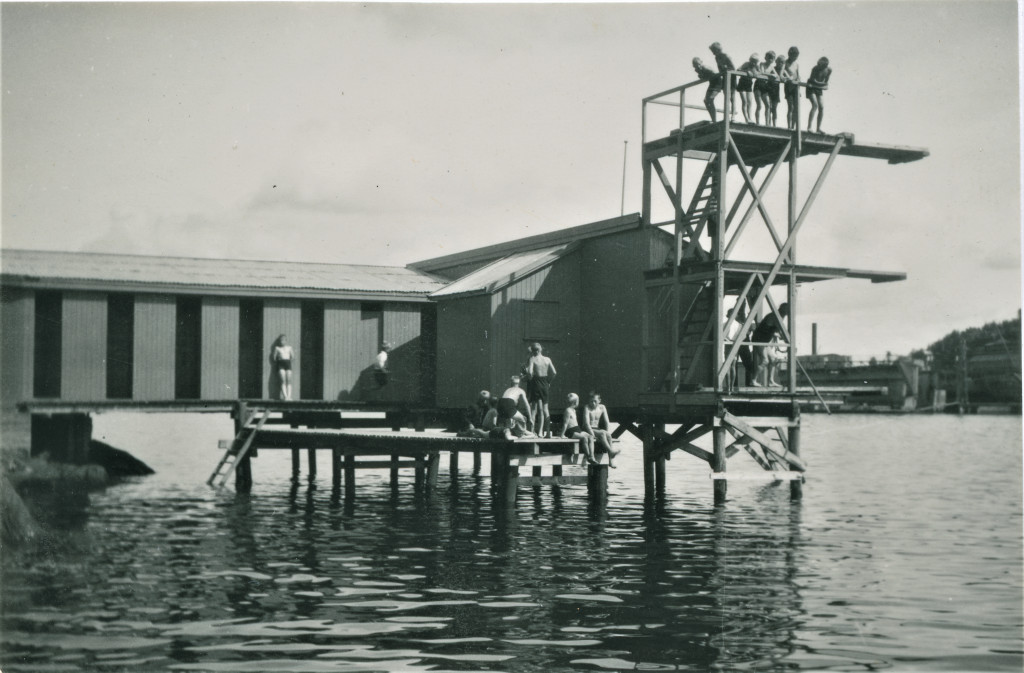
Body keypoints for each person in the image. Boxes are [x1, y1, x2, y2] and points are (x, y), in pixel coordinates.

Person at [751, 303, 789, 386]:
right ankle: (753, 380)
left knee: (774, 359)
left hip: (764, 340)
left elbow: (771, 330)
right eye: (787, 309)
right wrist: (787, 339)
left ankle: (771, 381)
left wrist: (779, 336)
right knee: (765, 360)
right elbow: (781, 330)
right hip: (759, 339)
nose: (788, 312)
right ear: (783, 309)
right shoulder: (775, 316)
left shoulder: (779, 317)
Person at [581, 392, 620, 468]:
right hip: (587, 429)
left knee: (608, 435)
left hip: (597, 429)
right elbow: (586, 423)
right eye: (591, 401)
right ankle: (611, 451)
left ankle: (611, 461)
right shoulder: (587, 407)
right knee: (602, 433)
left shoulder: (602, 407)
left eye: (595, 401)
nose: (593, 403)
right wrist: (592, 434)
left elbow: (606, 421)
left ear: (599, 401)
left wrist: (607, 432)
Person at [526, 343, 557, 436]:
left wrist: (529, 378)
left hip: (536, 382)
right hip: (545, 383)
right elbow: (554, 372)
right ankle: (545, 432)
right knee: (545, 409)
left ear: (535, 350)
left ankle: (532, 431)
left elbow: (530, 373)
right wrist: (549, 382)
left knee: (534, 409)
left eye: (533, 351)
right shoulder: (547, 359)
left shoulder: (533, 359)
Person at [559, 392, 597, 464]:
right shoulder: (568, 410)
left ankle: (592, 456)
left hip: (577, 429)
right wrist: (562, 435)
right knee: (584, 438)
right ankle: (588, 456)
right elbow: (565, 424)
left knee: (591, 437)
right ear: (575, 402)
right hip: (571, 431)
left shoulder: (573, 410)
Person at [724, 304, 755, 388]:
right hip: (736, 344)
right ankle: (733, 386)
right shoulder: (739, 325)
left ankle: (729, 386)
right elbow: (744, 335)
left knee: (727, 366)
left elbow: (722, 336)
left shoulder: (725, 324)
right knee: (733, 366)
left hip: (728, 345)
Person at [708, 42, 736, 118]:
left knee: (732, 97)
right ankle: (726, 115)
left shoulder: (725, 56)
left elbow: (733, 68)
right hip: (724, 76)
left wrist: (726, 68)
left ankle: (733, 115)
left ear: (717, 49)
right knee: (726, 95)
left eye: (713, 50)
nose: (713, 53)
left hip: (732, 76)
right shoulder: (716, 58)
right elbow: (719, 68)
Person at [692, 57, 723, 123]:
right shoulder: (697, 70)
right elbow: (703, 77)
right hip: (712, 83)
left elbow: (716, 74)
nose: (698, 66)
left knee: (710, 99)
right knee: (706, 101)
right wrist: (701, 75)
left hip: (717, 82)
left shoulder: (705, 67)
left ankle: (714, 120)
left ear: (701, 63)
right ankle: (713, 119)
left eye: (699, 64)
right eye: (696, 65)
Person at [806, 57, 832, 133]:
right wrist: (822, 84)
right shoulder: (815, 69)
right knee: (815, 105)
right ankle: (809, 127)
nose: (820, 67)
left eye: (822, 66)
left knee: (822, 107)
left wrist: (821, 84)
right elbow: (813, 80)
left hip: (818, 88)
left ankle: (818, 128)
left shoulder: (829, 70)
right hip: (811, 87)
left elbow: (826, 83)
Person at [781, 46, 801, 130]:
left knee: (796, 108)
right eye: (794, 55)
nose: (795, 58)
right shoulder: (785, 63)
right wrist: (787, 78)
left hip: (796, 87)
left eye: (797, 56)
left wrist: (798, 79)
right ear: (790, 54)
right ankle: (789, 126)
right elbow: (781, 75)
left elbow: (798, 75)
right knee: (790, 107)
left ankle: (794, 126)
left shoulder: (796, 64)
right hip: (788, 86)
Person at [737, 53, 760, 123]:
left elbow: (760, 72)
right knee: (744, 101)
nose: (753, 63)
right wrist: (746, 71)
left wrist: (756, 73)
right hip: (742, 83)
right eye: (752, 61)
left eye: (755, 62)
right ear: (750, 60)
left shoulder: (756, 66)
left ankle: (750, 118)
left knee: (750, 102)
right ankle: (746, 118)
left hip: (749, 84)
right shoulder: (746, 64)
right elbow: (738, 69)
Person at [755, 51, 777, 125]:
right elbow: (761, 72)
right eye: (769, 58)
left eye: (772, 58)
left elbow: (776, 75)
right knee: (759, 105)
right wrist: (770, 75)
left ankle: (767, 123)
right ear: (766, 58)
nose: (770, 59)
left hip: (765, 85)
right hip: (758, 84)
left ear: (774, 60)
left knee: (768, 105)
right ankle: (757, 122)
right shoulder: (762, 64)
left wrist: (773, 75)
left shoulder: (771, 67)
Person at [271, 334, 294, 400]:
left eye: (284, 340)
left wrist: (288, 361)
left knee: (289, 380)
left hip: (288, 363)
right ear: (279, 341)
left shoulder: (289, 348)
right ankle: (285, 396)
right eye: (281, 340)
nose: (282, 342)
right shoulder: (277, 348)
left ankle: (289, 396)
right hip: (280, 364)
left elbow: (292, 357)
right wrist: (279, 360)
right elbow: (274, 357)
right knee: (283, 380)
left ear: (286, 341)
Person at [769, 54, 786, 127]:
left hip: (776, 89)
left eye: (783, 62)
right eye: (780, 62)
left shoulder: (783, 70)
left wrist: (784, 78)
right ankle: (768, 123)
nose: (781, 64)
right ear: (776, 61)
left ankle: (774, 124)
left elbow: (786, 77)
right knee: (769, 106)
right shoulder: (772, 68)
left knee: (774, 108)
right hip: (769, 87)